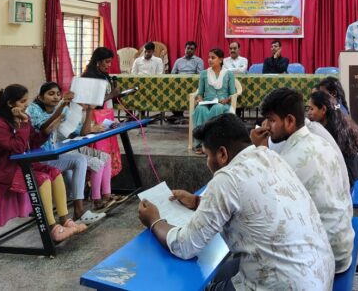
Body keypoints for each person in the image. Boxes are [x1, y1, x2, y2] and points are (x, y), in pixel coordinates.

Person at [137, 113, 335, 290]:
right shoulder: (270, 156)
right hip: (320, 274)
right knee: (225, 269)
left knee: (209, 284)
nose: (207, 163)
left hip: (287, 284)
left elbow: (186, 245)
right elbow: (252, 198)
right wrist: (198, 201)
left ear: (222, 154)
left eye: (207, 155)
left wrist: (155, 221)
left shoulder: (227, 178)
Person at [255, 87, 354, 274]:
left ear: (290, 121)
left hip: (324, 259)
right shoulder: (319, 141)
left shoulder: (288, 160)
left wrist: (258, 150)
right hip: (342, 246)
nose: (266, 127)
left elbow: (264, 209)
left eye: (272, 120)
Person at [0, 84, 85, 242]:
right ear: (10, 104)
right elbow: (17, 148)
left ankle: (65, 220)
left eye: (26, 101)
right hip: (0, 171)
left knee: (54, 173)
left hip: (18, 166)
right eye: (22, 102)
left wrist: (47, 131)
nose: (26, 105)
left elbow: (33, 142)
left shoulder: (23, 119)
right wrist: (23, 123)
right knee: (43, 179)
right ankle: (52, 227)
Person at [27, 82, 107, 224]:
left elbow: (80, 131)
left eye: (58, 94)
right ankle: (80, 209)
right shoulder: (33, 109)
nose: (55, 97)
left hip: (51, 154)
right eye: (51, 94)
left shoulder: (62, 109)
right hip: (36, 157)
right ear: (40, 97)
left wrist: (89, 110)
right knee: (82, 160)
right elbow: (44, 127)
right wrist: (62, 104)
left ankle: (79, 211)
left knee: (81, 160)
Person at [82, 46, 125, 210]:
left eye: (110, 62)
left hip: (106, 117)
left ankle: (107, 194)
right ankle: (96, 197)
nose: (109, 65)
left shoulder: (104, 75)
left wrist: (116, 95)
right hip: (94, 119)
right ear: (98, 61)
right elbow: (91, 102)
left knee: (106, 156)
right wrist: (112, 95)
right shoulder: (89, 77)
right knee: (99, 157)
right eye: (106, 62)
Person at [306, 91, 358, 188]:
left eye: (312, 109)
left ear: (323, 109)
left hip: (347, 178)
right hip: (353, 174)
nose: (309, 113)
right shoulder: (338, 122)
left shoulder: (329, 132)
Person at [191, 48, 237, 153]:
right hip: (207, 102)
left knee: (217, 108)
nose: (209, 60)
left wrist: (226, 100)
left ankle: (214, 144)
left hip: (222, 103)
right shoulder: (204, 74)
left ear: (220, 60)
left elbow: (233, 93)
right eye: (209, 57)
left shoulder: (228, 74)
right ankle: (201, 143)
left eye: (213, 57)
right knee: (200, 109)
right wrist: (200, 99)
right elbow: (200, 92)